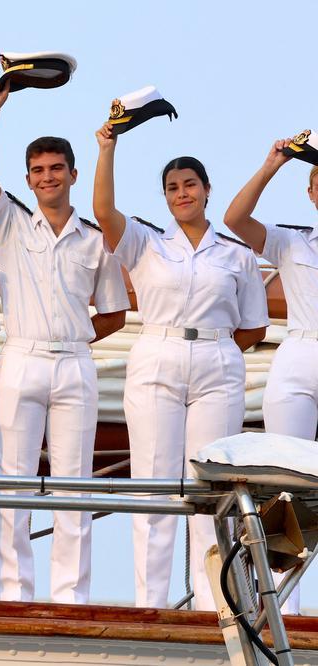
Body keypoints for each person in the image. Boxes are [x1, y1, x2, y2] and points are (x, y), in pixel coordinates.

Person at [93, 123, 269, 610]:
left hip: (217, 361)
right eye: (172, 188)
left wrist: (215, 349)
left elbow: (253, 325)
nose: (181, 193)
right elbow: (103, 212)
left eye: (189, 184)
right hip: (158, 357)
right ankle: (150, 603)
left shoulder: (236, 255)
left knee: (212, 485)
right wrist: (107, 148)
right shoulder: (147, 243)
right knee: (154, 480)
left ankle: (216, 603)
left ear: (207, 190)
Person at [0, 82, 130, 604]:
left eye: (55, 168)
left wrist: (75, 339)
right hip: (22, 359)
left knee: (73, 483)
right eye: (37, 171)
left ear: (73, 175)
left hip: (75, 365)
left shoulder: (94, 239)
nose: (46, 177)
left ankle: (70, 597)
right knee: (12, 479)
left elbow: (113, 314)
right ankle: (12, 593)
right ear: (29, 179)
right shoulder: (10, 224)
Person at [223, 138, 317, 615]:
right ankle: (284, 606)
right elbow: (235, 220)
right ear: (311, 191)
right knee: (287, 484)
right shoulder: (292, 240)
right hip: (300, 351)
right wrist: (272, 164)